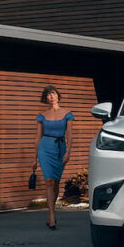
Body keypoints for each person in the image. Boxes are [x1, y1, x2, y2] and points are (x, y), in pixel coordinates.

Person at [33, 85, 74, 230]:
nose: (51, 96)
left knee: (56, 182)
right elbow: (38, 137)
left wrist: (68, 151)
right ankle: (51, 215)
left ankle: (52, 210)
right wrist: (34, 158)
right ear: (46, 98)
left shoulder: (67, 114)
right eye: (48, 95)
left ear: (57, 95)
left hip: (59, 149)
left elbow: (69, 134)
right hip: (45, 148)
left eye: (53, 93)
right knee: (49, 180)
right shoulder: (42, 115)